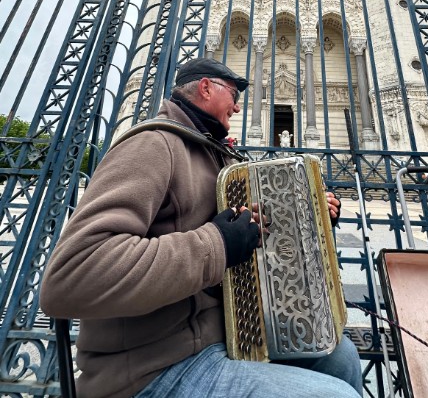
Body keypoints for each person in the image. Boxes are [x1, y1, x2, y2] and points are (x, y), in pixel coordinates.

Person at [40, 58, 363, 398]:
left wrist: (313, 216)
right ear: (206, 88)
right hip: (156, 364)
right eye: (233, 95)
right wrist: (217, 244)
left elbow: (251, 232)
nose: (237, 107)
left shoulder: (218, 155)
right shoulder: (152, 145)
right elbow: (73, 275)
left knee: (341, 357)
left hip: (226, 335)